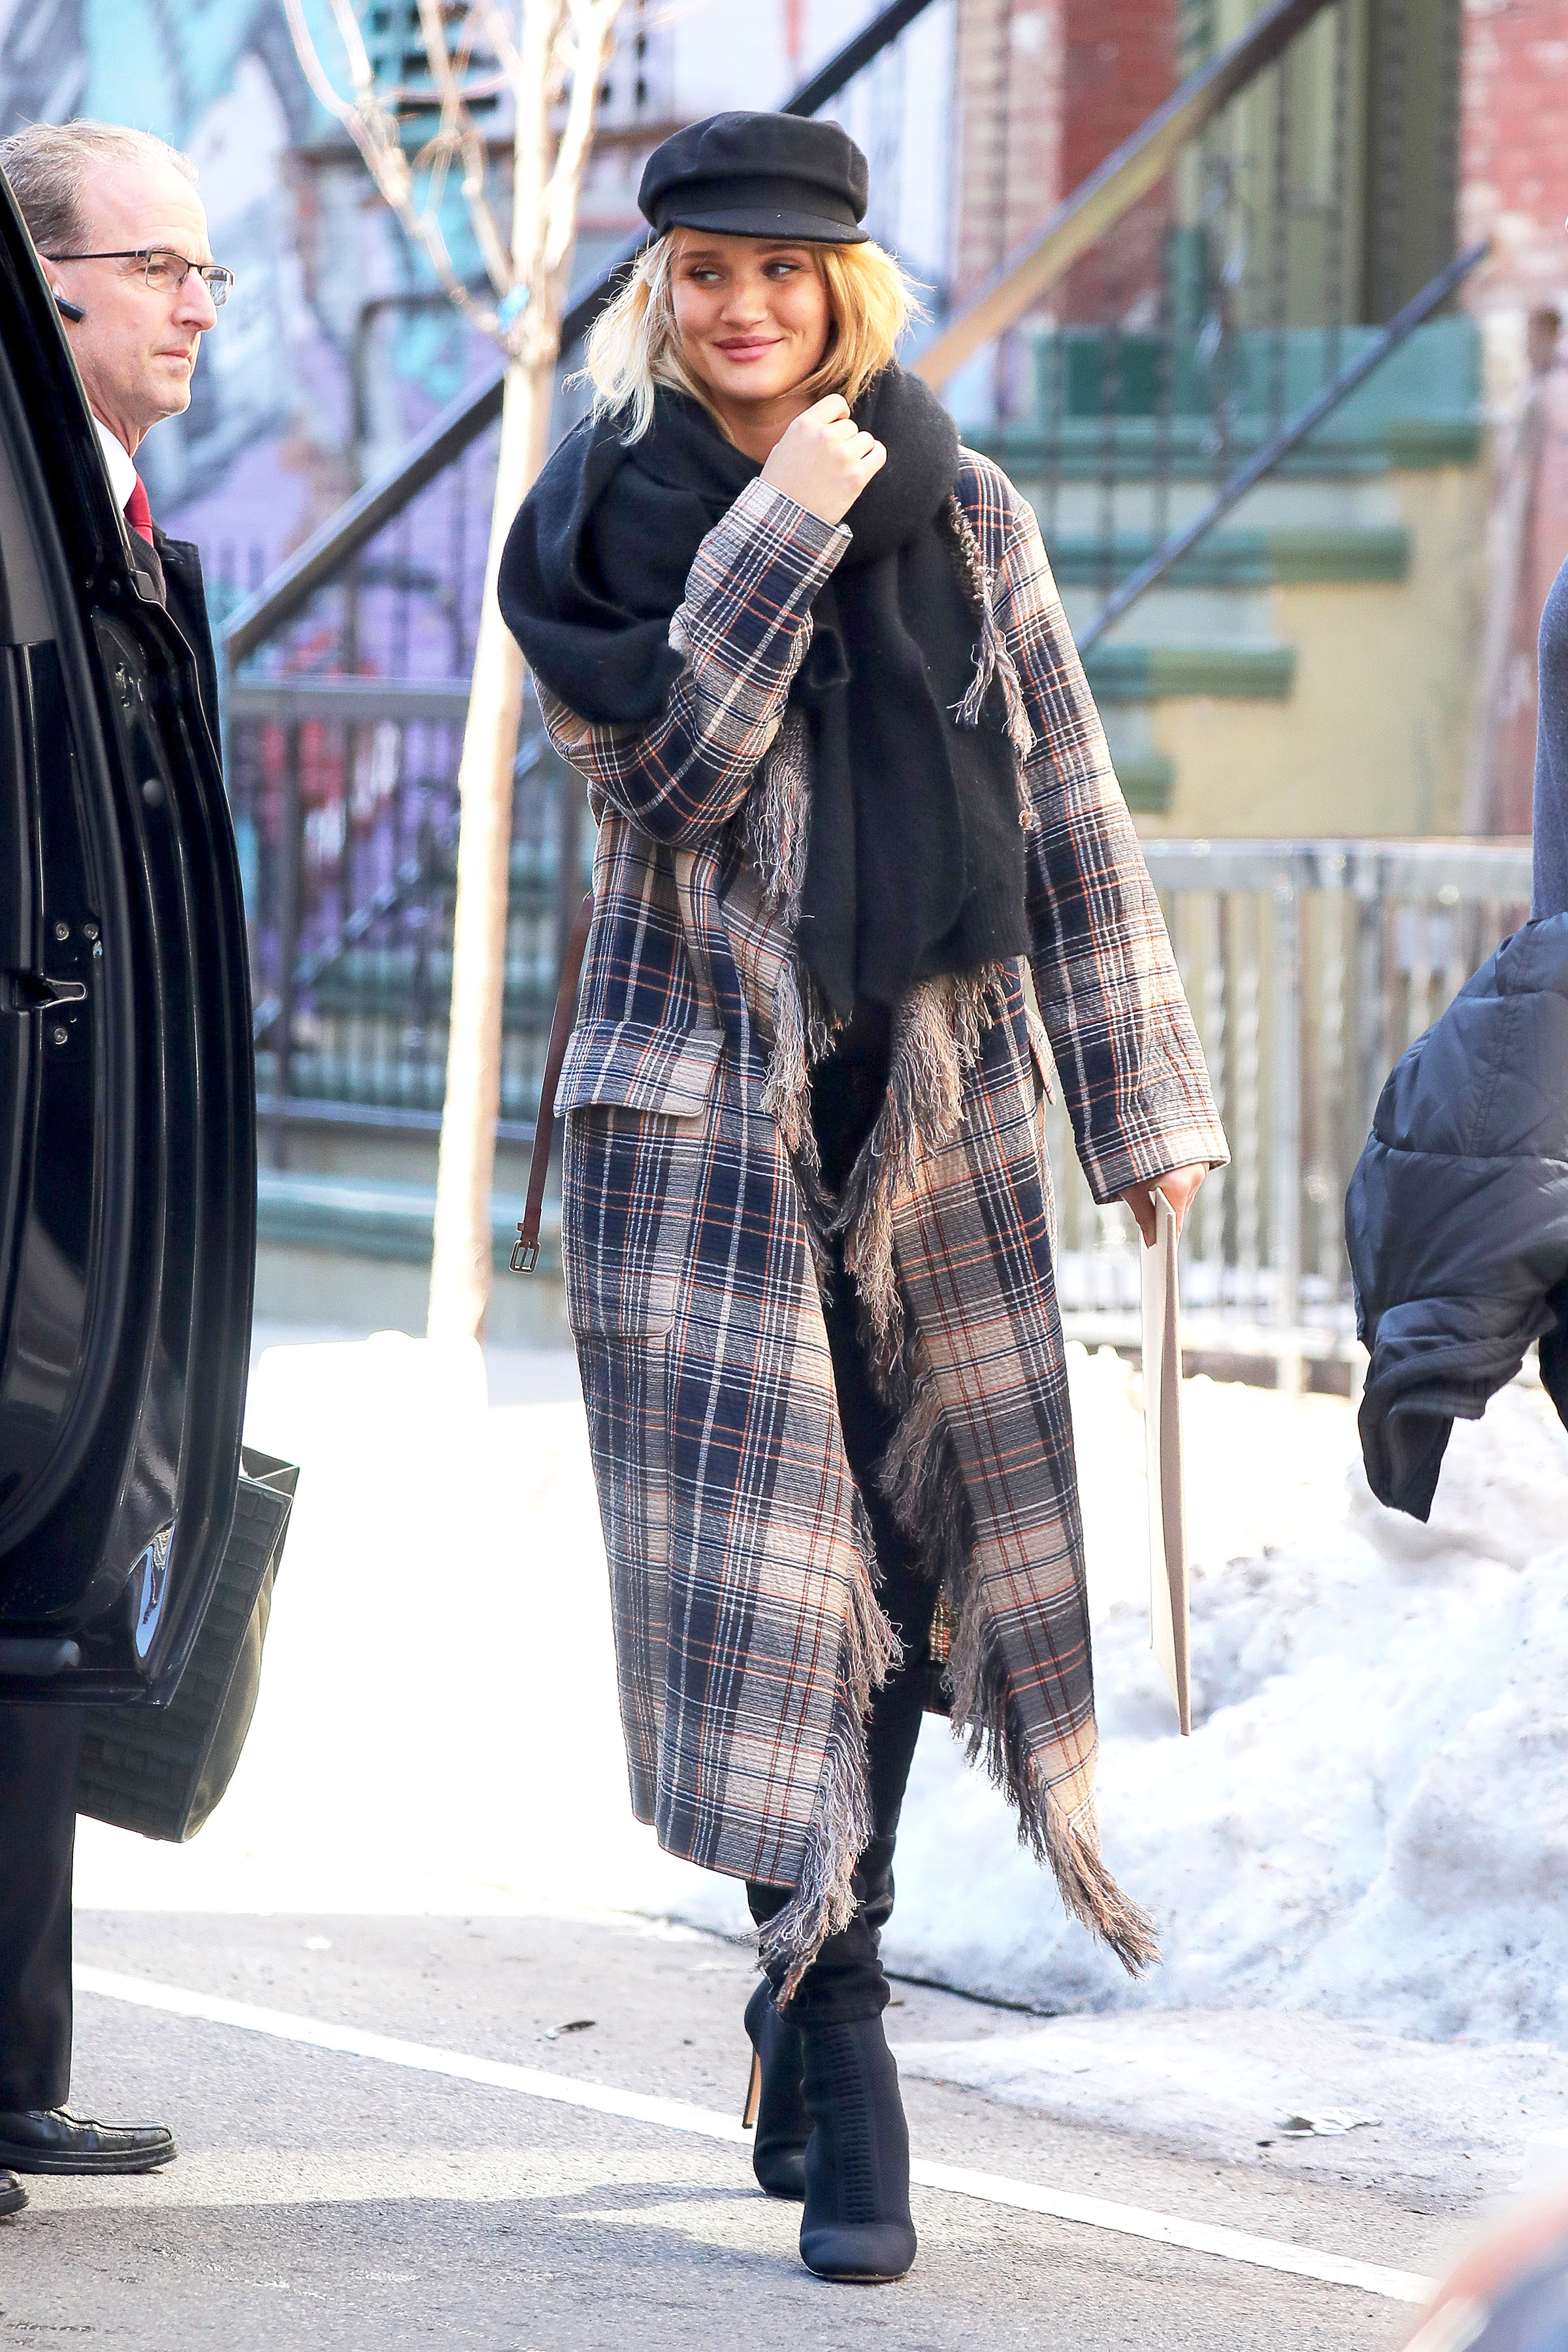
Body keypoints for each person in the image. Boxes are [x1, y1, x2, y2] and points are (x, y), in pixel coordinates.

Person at [500, 110, 1226, 2284]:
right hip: (696, 1135)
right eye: (707, 273)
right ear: (660, 294)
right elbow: (679, 777)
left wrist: (1144, 1105)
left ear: (848, 292)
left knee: (913, 1571)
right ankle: (838, 2013)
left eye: (785, 274)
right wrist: (784, 527)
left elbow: (1070, 810)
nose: (746, 310)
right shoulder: (594, 526)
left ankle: (834, 1945)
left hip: (933, 1126)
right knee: (772, 1586)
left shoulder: (971, 509)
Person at [0, 117, 231, 2200]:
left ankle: (14, 2078)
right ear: (38, 287)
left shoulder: (127, 529)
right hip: (32, 1155)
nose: (196, 306)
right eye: (157, 266)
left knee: (47, 1619)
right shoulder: (26, 532)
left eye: (208, 270)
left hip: (107, 1153)